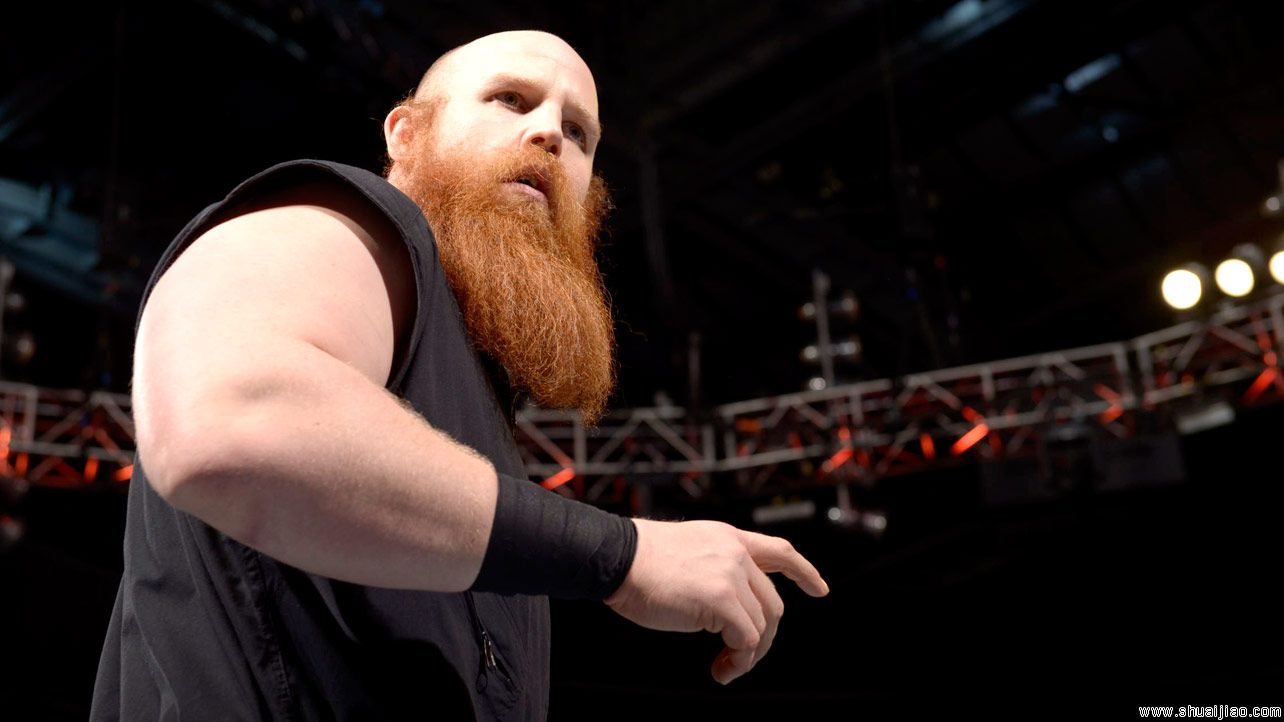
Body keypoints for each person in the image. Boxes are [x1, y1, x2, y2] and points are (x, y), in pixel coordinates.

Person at [91, 30, 829, 721]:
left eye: (580, 133)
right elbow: (231, 424)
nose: (550, 134)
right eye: (510, 99)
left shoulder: (474, 430)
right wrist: (622, 554)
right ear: (406, 135)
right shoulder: (348, 223)